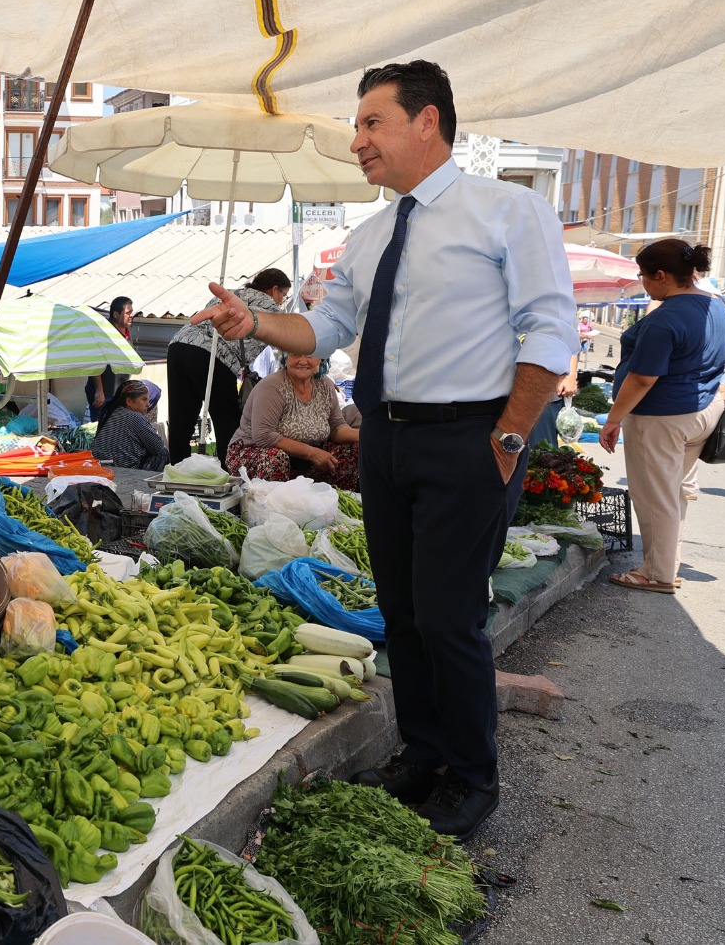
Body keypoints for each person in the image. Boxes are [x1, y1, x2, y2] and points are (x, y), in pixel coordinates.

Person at [188, 60, 575, 838]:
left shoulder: (506, 212)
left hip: (471, 438)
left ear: (426, 122)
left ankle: (472, 775)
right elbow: (326, 331)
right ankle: (422, 752)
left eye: (372, 123)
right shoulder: (368, 237)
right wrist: (255, 324)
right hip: (388, 439)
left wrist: (506, 438)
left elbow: (550, 328)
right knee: (399, 611)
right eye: (357, 126)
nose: (358, 142)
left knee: (448, 616)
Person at [599, 239, 725, 592]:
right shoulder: (723, 306)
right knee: (673, 494)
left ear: (661, 276)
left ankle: (656, 574)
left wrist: (614, 418)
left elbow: (644, 377)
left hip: (662, 417)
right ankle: (666, 564)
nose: (643, 282)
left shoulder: (666, 318)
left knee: (653, 496)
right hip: (704, 409)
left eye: (643, 275)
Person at [167, 268, 291, 467]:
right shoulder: (271, 307)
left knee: (181, 418)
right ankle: (230, 471)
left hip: (179, 345)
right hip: (214, 355)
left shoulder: (232, 294)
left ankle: (177, 472)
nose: (282, 301)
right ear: (274, 289)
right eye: (283, 296)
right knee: (227, 420)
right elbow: (287, 346)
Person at [224, 353, 360, 490]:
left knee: (353, 449)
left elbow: (336, 427)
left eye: (310, 355)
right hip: (254, 453)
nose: (302, 361)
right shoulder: (272, 387)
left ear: (321, 358)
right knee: (276, 458)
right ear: (285, 357)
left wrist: (367, 435)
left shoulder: (325, 385)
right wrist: (312, 453)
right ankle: (271, 507)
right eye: (295, 354)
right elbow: (264, 436)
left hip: (304, 460)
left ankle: (334, 504)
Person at [90, 380, 170, 472]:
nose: (148, 404)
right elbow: (158, 446)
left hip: (100, 464)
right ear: (129, 401)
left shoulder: (109, 412)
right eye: (144, 399)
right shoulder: (134, 417)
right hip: (122, 468)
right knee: (163, 453)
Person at [86, 296, 135, 420]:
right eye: (128, 313)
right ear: (116, 314)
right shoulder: (104, 332)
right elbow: (94, 361)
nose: (131, 315)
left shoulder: (127, 333)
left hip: (119, 393)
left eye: (132, 312)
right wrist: (99, 391)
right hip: (104, 394)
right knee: (101, 431)